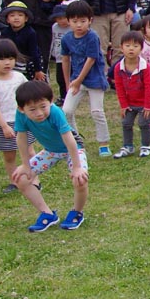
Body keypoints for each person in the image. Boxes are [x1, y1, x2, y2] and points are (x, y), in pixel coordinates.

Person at [9, 80, 89, 232]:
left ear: (51, 102)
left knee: (80, 180)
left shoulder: (55, 112)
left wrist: (77, 167)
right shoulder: (21, 115)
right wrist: (26, 165)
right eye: (32, 109)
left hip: (73, 149)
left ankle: (77, 213)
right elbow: (21, 138)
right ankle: (47, 214)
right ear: (21, 109)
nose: (39, 113)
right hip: (51, 151)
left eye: (43, 107)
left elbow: (69, 139)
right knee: (21, 179)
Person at [59, 0, 111, 158]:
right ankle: (75, 140)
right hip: (76, 80)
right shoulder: (66, 39)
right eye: (74, 21)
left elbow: (91, 60)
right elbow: (65, 60)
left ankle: (104, 143)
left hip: (94, 80)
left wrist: (78, 80)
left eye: (83, 21)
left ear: (90, 20)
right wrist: (68, 83)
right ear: (68, 21)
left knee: (97, 111)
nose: (79, 25)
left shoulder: (92, 37)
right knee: (66, 111)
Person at [0, 39, 28, 191]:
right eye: (2, 59)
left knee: (29, 151)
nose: (7, 63)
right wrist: (4, 126)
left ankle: (34, 179)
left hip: (22, 121)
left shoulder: (19, 77)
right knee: (9, 155)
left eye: (11, 58)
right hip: (3, 123)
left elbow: (27, 96)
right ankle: (14, 181)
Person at [112, 30, 150, 159]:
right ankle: (128, 146)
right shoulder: (118, 67)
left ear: (141, 48)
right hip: (130, 103)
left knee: (143, 123)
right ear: (121, 47)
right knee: (126, 122)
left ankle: (146, 146)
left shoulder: (145, 67)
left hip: (144, 103)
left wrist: (148, 106)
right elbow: (119, 87)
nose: (131, 49)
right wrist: (123, 105)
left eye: (135, 46)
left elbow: (149, 87)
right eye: (128, 46)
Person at [0, 1, 43, 80]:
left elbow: (34, 52)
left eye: (20, 15)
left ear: (26, 18)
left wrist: (38, 70)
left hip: (30, 63)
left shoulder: (30, 33)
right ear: (7, 20)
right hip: (11, 61)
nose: (16, 18)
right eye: (12, 15)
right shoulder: (5, 33)